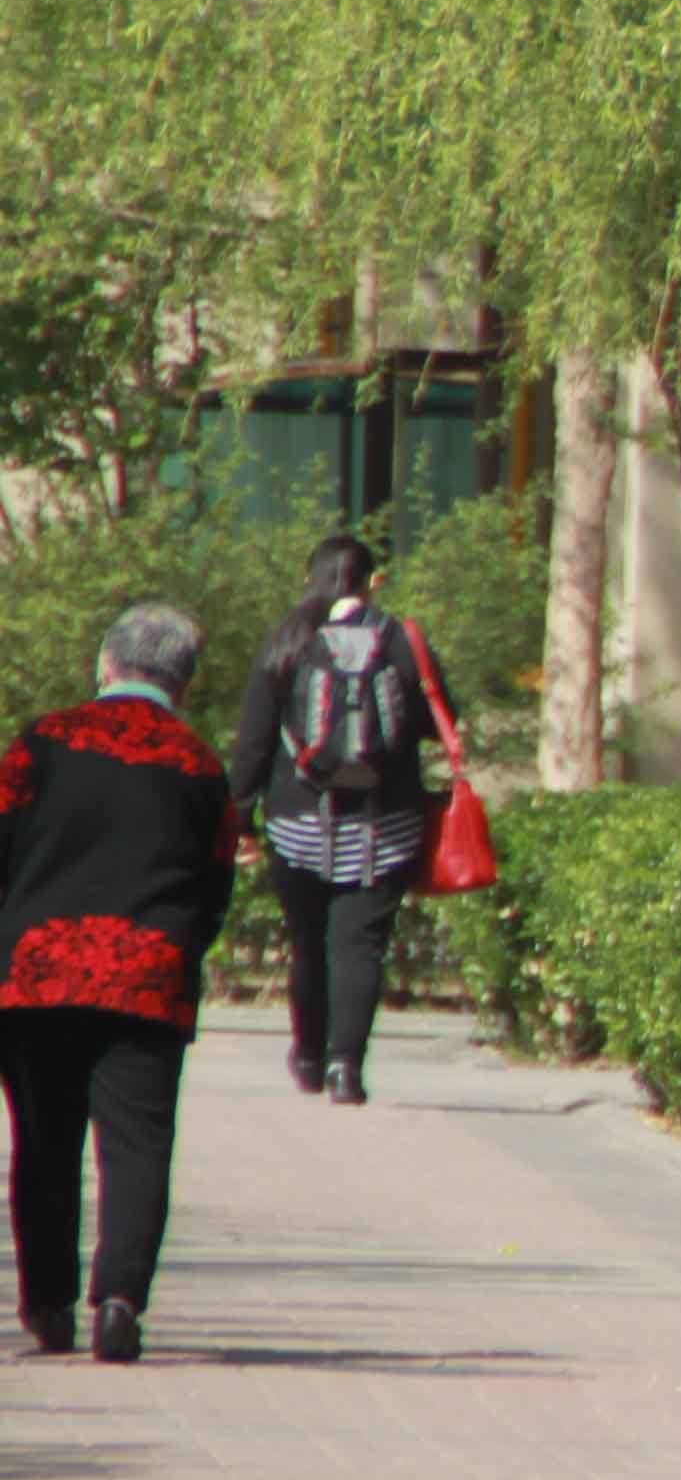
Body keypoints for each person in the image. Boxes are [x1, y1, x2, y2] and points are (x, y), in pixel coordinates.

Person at [1, 604, 237, 1361]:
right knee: (138, 1143)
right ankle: (121, 1302)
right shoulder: (197, 764)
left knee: (44, 1140)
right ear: (185, 683)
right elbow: (216, 881)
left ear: (106, 663)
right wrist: (181, 950)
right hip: (147, 975)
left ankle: (48, 1304)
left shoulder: (42, 742)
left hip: (37, 974)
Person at [225, 535, 448, 1105]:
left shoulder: (290, 639)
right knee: (360, 946)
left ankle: (308, 1055)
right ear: (373, 583)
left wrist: (240, 816)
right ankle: (345, 1068)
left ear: (312, 579)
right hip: (384, 827)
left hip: (297, 824)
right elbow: (437, 718)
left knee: (308, 942)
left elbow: (254, 738)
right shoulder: (402, 640)